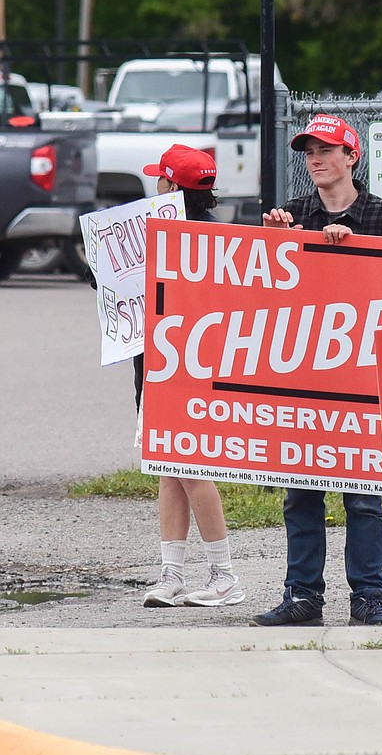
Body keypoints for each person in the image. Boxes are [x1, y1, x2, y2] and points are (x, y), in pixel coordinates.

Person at [251, 114, 382, 627]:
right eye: (309, 151)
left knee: (364, 498)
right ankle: (302, 597)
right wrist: (277, 241)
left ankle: (370, 596)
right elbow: (264, 294)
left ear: (351, 157)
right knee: (301, 495)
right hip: (305, 375)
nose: (316, 159)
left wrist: (355, 247)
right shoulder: (292, 214)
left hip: (363, 379)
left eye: (327, 149)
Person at [139, 144, 245, 608]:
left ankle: (225, 576)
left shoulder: (174, 236)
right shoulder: (214, 237)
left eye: (159, 179)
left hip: (184, 372)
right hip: (173, 368)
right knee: (169, 469)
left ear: (170, 185)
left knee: (190, 467)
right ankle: (173, 574)